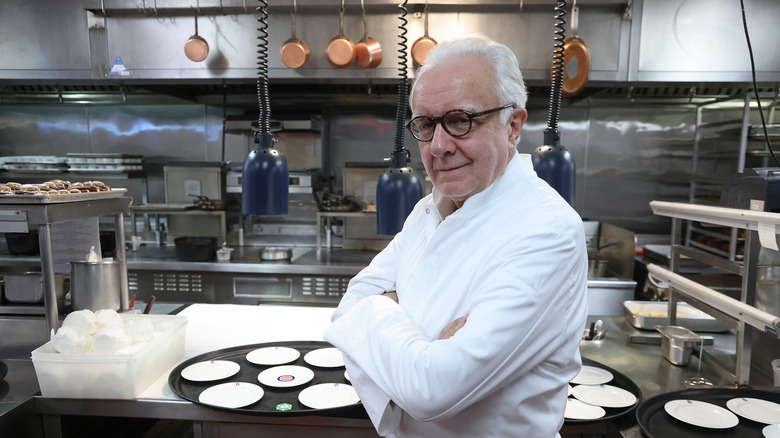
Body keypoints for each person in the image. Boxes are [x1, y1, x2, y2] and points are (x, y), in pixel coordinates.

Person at [324, 35, 588, 438]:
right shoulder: (429, 208)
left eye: (461, 119)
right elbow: (346, 309)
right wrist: (424, 346)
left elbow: (432, 390)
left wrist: (378, 314)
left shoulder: (547, 230)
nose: (440, 146)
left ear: (513, 126)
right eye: (427, 125)